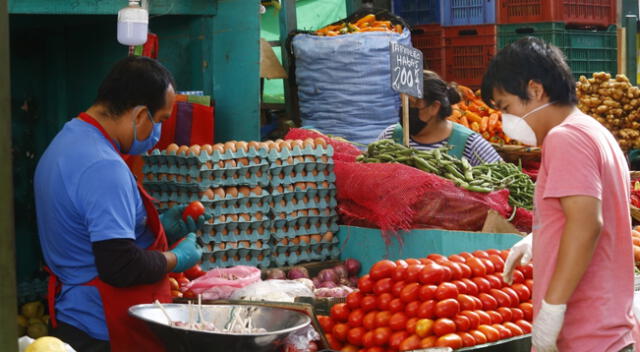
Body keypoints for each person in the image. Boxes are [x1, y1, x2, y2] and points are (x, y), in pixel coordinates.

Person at [34, 56, 206, 352]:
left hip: (73, 317)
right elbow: (119, 265)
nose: (157, 133)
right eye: (161, 120)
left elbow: (86, 232)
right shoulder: (103, 166)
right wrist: (179, 257)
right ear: (140, 115)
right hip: (104, 329)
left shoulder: (68, 140)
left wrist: (159, 227)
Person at [482, 37, 637, 352]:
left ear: (535, 90)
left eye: (506, 107)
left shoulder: (565, 139)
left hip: (586, 334)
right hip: (605, 329)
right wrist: (541, 236)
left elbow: (586, 224)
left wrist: (552, 309)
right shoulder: (594, 131)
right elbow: (589, 212)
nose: (505, 119)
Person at [377, 71, 502, 166]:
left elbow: (503, 186)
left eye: (412, 103)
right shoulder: (390, 137)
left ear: (434, 107)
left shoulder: (469, 144)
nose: (404, 109)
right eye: (402, 102)